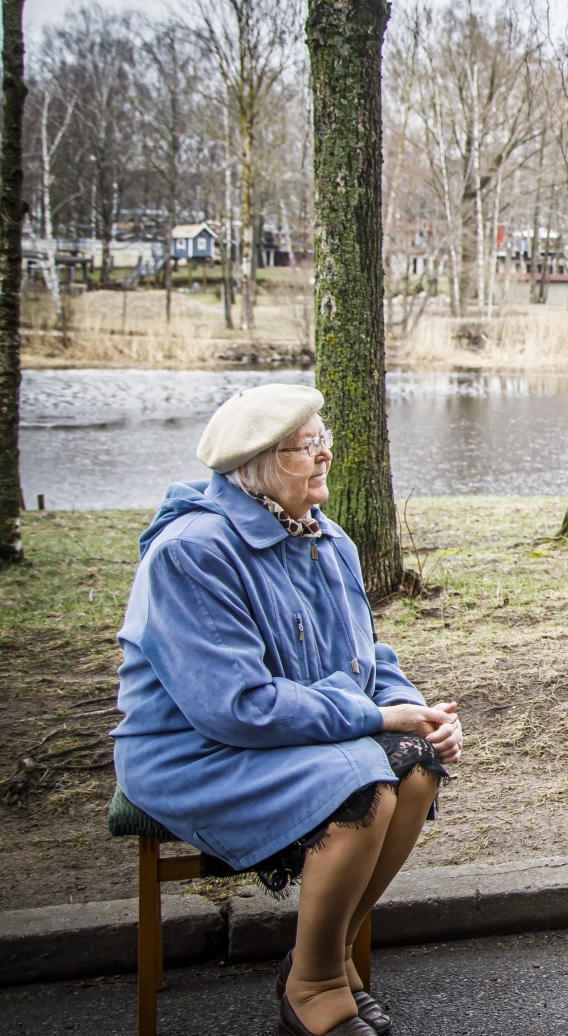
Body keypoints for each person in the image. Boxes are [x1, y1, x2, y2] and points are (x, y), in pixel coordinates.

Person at [111, 384, 463, 1035]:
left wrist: (413, 708)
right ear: (253, 466)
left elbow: (366, 657)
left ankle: (321, 956)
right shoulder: (192, 551)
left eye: (322, 440)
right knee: (365, 784)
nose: (324, 455)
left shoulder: (327, 539)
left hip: (292, 734)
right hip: (195, 751)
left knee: (417, 767)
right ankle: (315, 987)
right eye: (304, 447)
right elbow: (237, 707)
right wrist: (378, 719)